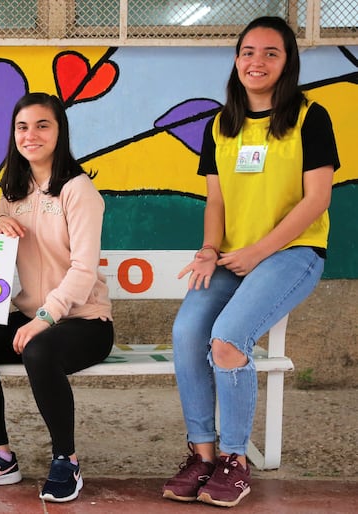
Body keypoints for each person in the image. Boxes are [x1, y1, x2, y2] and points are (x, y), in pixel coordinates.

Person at [162, 16, 339, 508]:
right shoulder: (221, 124)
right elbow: (215, 202)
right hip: (233, 257)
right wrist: (207, 250)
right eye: (247, 52)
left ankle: (234, 460)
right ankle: (201, 455)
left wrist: (260, 251)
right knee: (187, 332)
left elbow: (317, 199)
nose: (256, 62)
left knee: (227, 339)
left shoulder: (310, 117)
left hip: (293, 254)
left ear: (287, 62)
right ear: (236, 60)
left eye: (270, 53)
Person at [0, 92, 114, 503]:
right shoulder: (13, 192)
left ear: (59, 132)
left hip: (85, 322)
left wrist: (44, 318)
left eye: (43, 125)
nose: (31, 135)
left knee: (38, 350)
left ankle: (67, 460)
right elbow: (4, 253)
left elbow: (83, 269)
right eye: (22, 127)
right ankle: (0, 456)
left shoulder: (79, 191)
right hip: (34, 319)